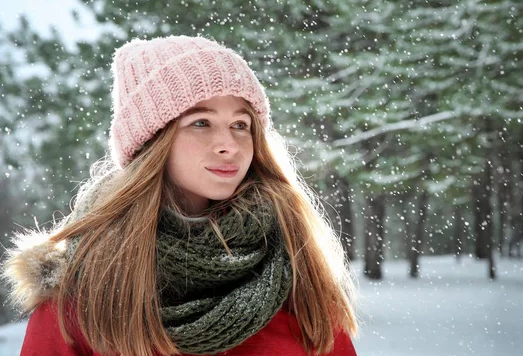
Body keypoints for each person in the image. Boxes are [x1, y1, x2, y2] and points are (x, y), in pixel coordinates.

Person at [3, 36, 359, 356]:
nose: (228, 145)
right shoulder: (86, 290)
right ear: (151, 144)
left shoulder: (292, 266)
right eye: (200, 123)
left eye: (240, 125)